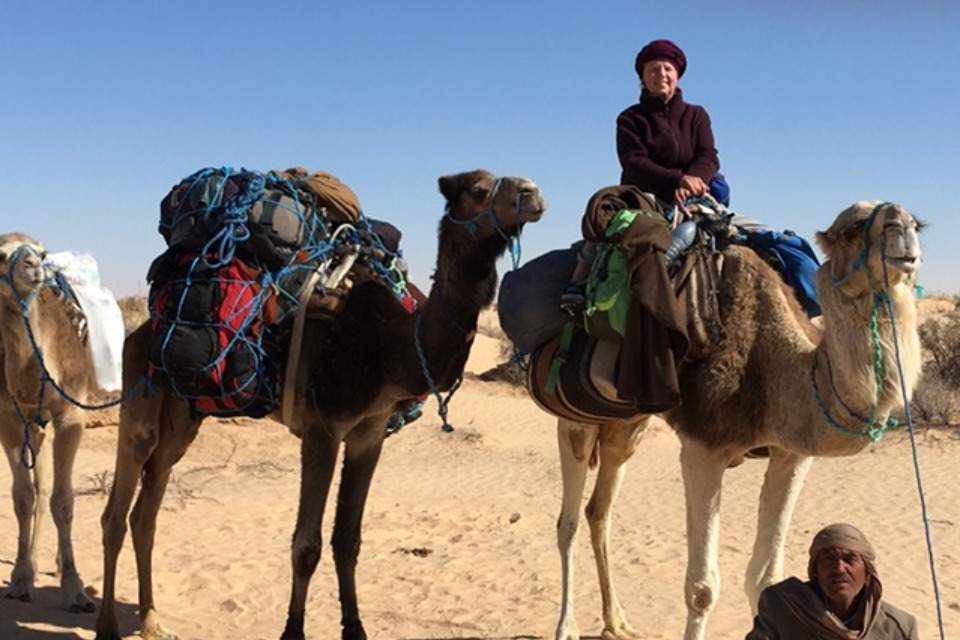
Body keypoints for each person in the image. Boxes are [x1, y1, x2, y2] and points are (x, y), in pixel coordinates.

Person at [745, 523, 919, 639]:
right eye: (828, 559)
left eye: (850, 559)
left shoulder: (899, 627)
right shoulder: (783, 608)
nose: (839, 568)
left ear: (867, 571)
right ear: (815, 570)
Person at [617, 38, 727, 208]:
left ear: (677, 75)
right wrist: (678, 181)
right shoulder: (630, 119)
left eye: (668, 69)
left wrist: (691, 185)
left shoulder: (697, 115)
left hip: (695, 194)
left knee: (756, 230)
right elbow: (634, 163)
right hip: (648, 198)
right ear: (643, 78)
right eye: (654, 70)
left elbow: (708, 155)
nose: (662, 74)